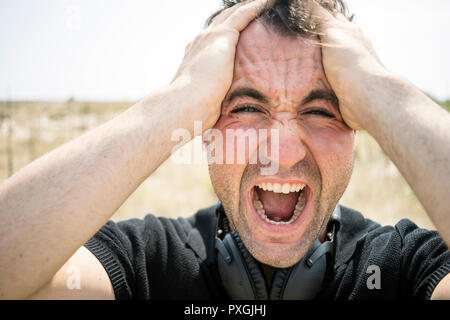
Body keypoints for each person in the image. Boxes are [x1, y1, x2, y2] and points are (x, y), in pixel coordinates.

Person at [0, 0, 449, 300]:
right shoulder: (150, 263)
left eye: (321, 111)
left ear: (359, 125)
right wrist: (178, 99)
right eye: (248, 107)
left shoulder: (401, 270)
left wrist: (381, 90)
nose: (283, 153)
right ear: (205, 125)